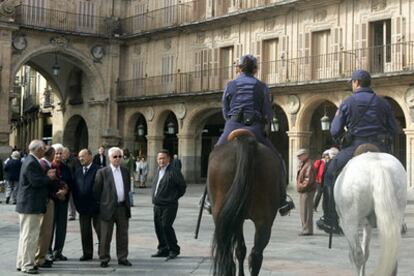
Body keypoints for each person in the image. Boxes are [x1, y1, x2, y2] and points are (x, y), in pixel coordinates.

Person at [317, 69, 399, 234]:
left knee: (329, 172)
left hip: (355, 146)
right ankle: (396, 217)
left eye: (352, 83)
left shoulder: (348, 102)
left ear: (356, 83)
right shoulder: (383, 102)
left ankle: (330, 219)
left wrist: (341, 136)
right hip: (380, 147)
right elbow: (394, 129)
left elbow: (334, 130)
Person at [216, 54, 294, 216]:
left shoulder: (230, 85)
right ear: (255, 69)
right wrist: (265, 120)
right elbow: (267, 111)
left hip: (232, 126)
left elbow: (225, 109)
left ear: (239, 68)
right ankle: (282, 199)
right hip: (255, 129)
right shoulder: (262, 86)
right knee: (278, 160)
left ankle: (208, 199)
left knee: (215, 155)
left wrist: (231, 121)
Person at [15, 140, 56, 274]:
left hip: (27, 204)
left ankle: (22, 262)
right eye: (43, 148)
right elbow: (36, 182)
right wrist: (48, 177)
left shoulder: (29, 160)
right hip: (31, 204)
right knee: (30, 237)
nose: (44, 151)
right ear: (38, 150)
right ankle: (27, 265)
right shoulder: (32, 162)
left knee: (25, 236)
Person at [94, 147, 132, 268]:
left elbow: (127, 189)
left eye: (119, 156)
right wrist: (103, 204)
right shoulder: (103, 172)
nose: (117, 159)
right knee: (105, 235)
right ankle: (104, 258)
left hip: (122, 208)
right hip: (107, 208)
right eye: (115, 157)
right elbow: (96, 191)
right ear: (110, 158)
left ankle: (122, 257)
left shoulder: (125, 171)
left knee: (123, 235)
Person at [151, 149, 186, 261]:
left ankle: (174, 249)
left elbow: (182, 186)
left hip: (169, 205)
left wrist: (173, 197)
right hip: (157, 204)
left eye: (163, 158)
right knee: (158, 227)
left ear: (168, 159)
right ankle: (163, 248)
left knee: (166, 225)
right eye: (159, 158)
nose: (161, 160)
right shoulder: (158, 171)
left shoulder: (173, 171)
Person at [72, 149, 100, 261]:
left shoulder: (98, 170)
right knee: (85, 231)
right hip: (82, 207)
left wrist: (98, 203)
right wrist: (77, 205)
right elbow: (75, 189)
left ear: (90, 156)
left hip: (96, 207)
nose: (81, 159)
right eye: (79, 157)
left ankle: (102, 252)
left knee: (100, 231)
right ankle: (87, 253)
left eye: (83, 156)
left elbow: (101, 188)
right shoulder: (78, 171)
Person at [34, 146, 59, 269]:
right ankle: (40, 258)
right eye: (56, 153)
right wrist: (58, 189)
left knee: (45, 232)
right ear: (52, 154)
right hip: (46, 201)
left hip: (47, 200)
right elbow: (48, 183)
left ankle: (41, 256)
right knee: (44, 231)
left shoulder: (45, 164)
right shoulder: (44, 165)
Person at [49, 144, 72, 261]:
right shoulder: (48, 166)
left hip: (63, 201)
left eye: (60, 153)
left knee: (61, 227)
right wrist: (56, 193)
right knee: (50, 227)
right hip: (51, 201)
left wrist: (65, 191)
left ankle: (58, 251)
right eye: (56, 153)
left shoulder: (66, 167)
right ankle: (48, 251)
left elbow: (70, 182)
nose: (58, 155)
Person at [296, 149, 316, 236]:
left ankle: (307, 229)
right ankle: (305, 228)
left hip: (307, 191)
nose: (298, 157)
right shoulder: (304, 164)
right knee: (304, 210)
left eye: (300, 155)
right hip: (304, 190)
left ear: (305, 155)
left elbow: (308, 180)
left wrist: (300, 186)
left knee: (306, 210)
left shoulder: (309, 164)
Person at [62, 147, 79, 221]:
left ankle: (72, 214)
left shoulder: (74, 160)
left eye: (64, 153)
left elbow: (77, 171)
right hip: (64, 182)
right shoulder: (62, 161)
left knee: (71, 199)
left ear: (68, 153)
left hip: (72, 182)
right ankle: (65, 213)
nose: (63, 155)